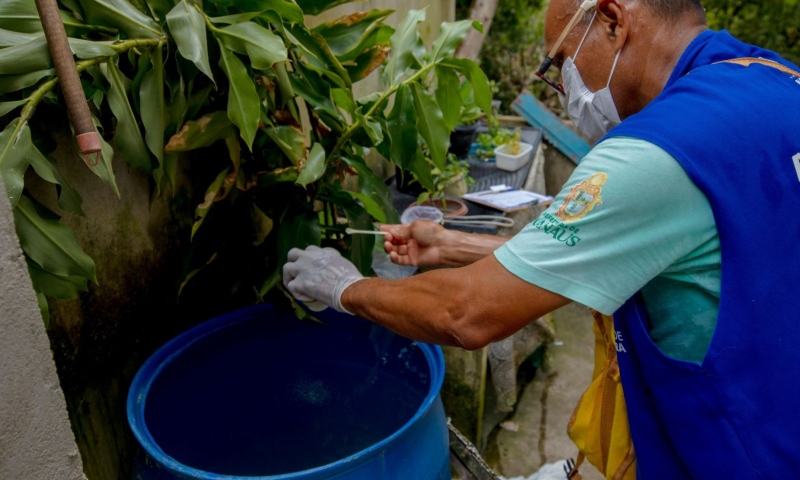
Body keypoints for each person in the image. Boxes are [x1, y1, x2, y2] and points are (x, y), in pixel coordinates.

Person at [283, 0, 800, 477]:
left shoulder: (657, 151)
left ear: (613, 21)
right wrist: (450, 245)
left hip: (736, 452)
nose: (565, 89)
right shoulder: (776, 81)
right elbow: (650, 246)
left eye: (560, 64)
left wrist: (345, 287)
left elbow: (467, 312)